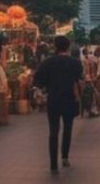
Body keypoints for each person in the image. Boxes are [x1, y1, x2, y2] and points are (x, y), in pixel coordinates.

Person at [33, 35, 82, 172]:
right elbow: (78, 80)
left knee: (53, 131)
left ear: (55, 46)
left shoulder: (48, 62)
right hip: (69, 99)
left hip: (53, 99)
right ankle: (65, 157)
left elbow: (38, 81)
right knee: (68, 128)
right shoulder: (75, 62)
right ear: (68, 46)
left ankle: (53, 162)